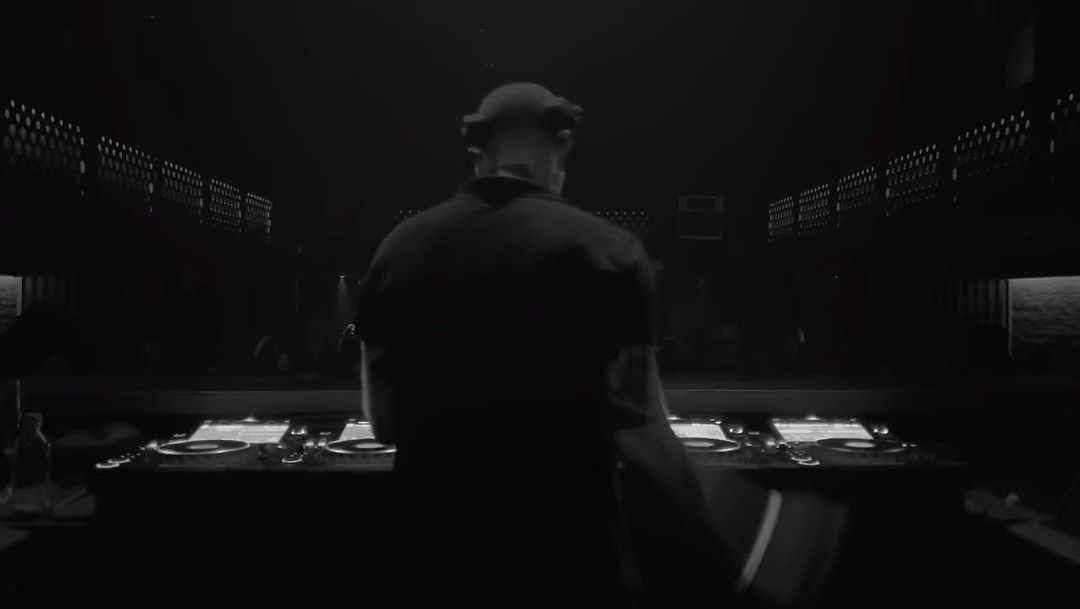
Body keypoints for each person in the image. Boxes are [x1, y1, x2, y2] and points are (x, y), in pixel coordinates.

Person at [355, 83, 735, 607]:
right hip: (572, 564)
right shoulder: (612, 253)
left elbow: (385, 422)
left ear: (478, 153)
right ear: (561, 147)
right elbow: (643, 427)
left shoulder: (399, 251)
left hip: (433, 563)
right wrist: (719, 539)